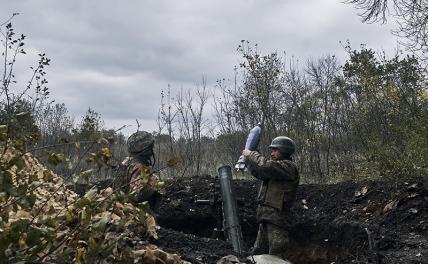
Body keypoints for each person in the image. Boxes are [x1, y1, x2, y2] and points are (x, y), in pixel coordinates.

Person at [242, 136, 299, 259]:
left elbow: (266, 166)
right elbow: (259, 172)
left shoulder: (288, 167)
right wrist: (248, 161)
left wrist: (251, 154)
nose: (272, 153)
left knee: (276, 255)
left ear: (283, 150)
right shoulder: (276, 170)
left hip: (278, 219)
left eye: (275, 150)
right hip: (266, 217)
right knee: (257, 253)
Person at [116, 131, 161, 210]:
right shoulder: (141, 170)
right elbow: (135, 197)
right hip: (134, 212)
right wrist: (152, 186)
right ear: (147, 150)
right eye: (151, 147)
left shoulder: (126, 162)